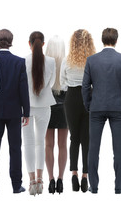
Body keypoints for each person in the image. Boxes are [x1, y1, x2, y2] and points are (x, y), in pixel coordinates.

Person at [82, 28, 121, 194]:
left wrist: (88, 105)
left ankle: (94, 186)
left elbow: (85, 86)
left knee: (93, 148)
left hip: (96, 107)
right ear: (116, 40)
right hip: (118, 108)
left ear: (102, 40)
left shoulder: (91, 60)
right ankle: (119, 186)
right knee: (118, 149)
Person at [0, 29, 30, 194]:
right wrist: (26, 112)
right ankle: (16, 185)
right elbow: (23, 89)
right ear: (11, 41)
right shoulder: (19, 62)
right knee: (15, 148)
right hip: (13, 111)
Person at [60, 29, 95, 192]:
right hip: (88, 96)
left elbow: (62, 83)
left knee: (74, 138)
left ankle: (73, 174)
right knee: (87, 139)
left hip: (71, 97)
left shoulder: (67, 60)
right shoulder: (92, 61)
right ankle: (85, 177)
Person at [23, 31, 56, 195]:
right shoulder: (51, 62)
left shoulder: (24, 62)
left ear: (29, 44)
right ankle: (40, 180)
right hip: (44, 105)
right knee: (40, 142)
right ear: (43, 44)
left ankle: (31, 181)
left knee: (28, 143)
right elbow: (50, 84)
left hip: (26, 107)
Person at [44, 35, 68, 194]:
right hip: (65, 104)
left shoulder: (45, 63)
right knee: (62, 144)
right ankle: (61, 179)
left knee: (48, 145)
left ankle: (51, 179)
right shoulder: (67, 61)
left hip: (48, 103)